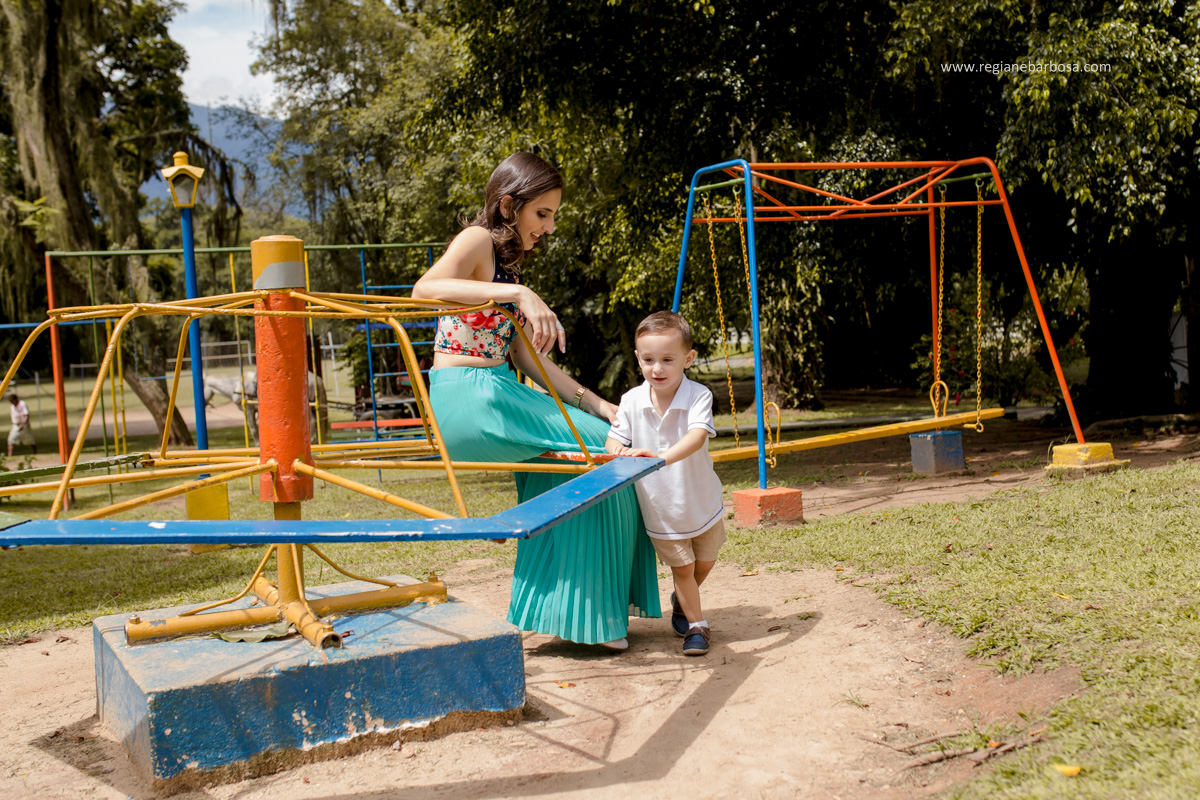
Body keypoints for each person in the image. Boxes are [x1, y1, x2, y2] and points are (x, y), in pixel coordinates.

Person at [412, 152, 660, 651]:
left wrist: (598, 403)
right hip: (471, 396)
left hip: (498, 390)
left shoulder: (506, 273)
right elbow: (424, 288)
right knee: (607, 455)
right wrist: (521, 296)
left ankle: (560, 611)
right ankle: (592, 617)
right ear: (509, 205)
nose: (547, 227)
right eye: (541, 214)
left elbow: (533, 364)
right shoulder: (478, 240)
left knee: (591, 446)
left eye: (552, 217)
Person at [606, 311, 725, 656]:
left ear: (688, 359)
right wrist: (621, 452)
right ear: (638, 359)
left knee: (704, 562)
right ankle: (697, 628)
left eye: (667, 360)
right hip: (660, 507)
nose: (657, 368)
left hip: (702, 500)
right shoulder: (631, 401)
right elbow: (612, 442)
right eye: (648, 359)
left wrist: (659, 458)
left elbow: (698, 436)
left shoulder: (697, 395)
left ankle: (681, 600)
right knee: (683, 568)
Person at [7, 392, 35, 458]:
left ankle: (35, 453)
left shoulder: (22, 404)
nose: (11, 402)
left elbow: (26, 415)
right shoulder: (12, 405)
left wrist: (23, 424)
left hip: (24, 425)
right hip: (15, 425)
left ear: (15, 399)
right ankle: (9, 456)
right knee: (11, 439)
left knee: (29, 439)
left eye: (12, 401)